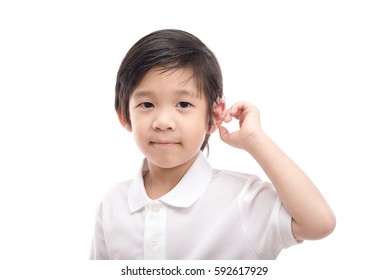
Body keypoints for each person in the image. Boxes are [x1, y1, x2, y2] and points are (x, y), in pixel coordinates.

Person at [90, 29, 336, 260]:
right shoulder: (112, 204)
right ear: (124, 116)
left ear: (213, 116)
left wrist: (254, 140)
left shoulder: (243, 199)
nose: (163, 122)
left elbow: (318, 224)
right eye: (147, 105)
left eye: (183, 104)